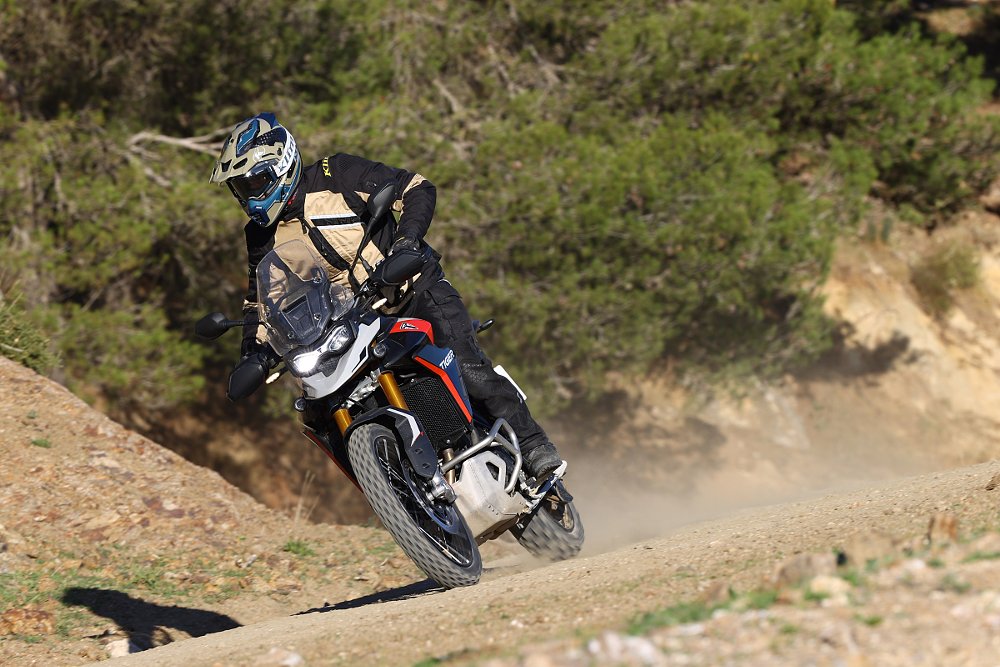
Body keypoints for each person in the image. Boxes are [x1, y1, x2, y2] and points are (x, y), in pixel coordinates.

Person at [210, 112, 564, 480]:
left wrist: (406, 244)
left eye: (255, 183)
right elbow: (261, 302)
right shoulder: (259, 237)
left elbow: (416, 187)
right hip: (355, 321)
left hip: (413, 288)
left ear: (281, 165)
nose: (250, 200)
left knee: (467, 364)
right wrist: (254, 354)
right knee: (321, 412)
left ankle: (534, 443)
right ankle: (402, 492)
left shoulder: (336, 174)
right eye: (240, 189)